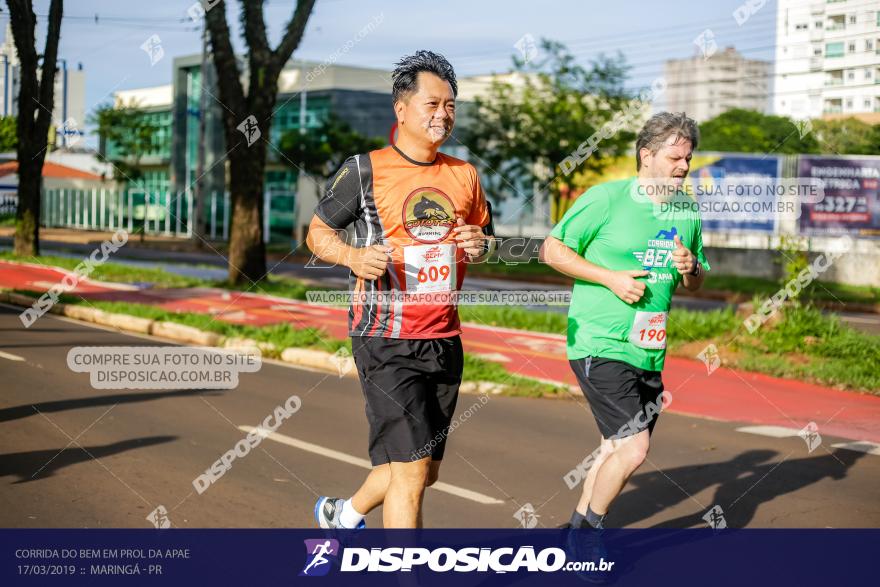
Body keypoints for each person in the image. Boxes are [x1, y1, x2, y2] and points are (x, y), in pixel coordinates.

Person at [305, 50, 494, 529]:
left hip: (444, 338)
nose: (443, 115)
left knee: (423, 471)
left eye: (451, 105)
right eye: (433, 104)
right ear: (402, 109)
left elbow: (484, 238)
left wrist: (481, 244)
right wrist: (351, 257)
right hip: (385, 338)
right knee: (409, 474)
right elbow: (317, 234)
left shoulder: (464, 174)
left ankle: (342, 515)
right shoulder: (364, 170)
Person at [540, 112, 708, 531]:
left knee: (613, 448)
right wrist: (608, 278)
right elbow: (551, 250)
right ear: (646, 155)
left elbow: (697, 282)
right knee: (634, 448)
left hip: (649, 351)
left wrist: (691, 268)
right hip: (600, 343)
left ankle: (573, 532)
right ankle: (592, 533)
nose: (683, 167)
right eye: (674, 158)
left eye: (688, 158)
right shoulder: (606, 199)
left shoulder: (686, 209)